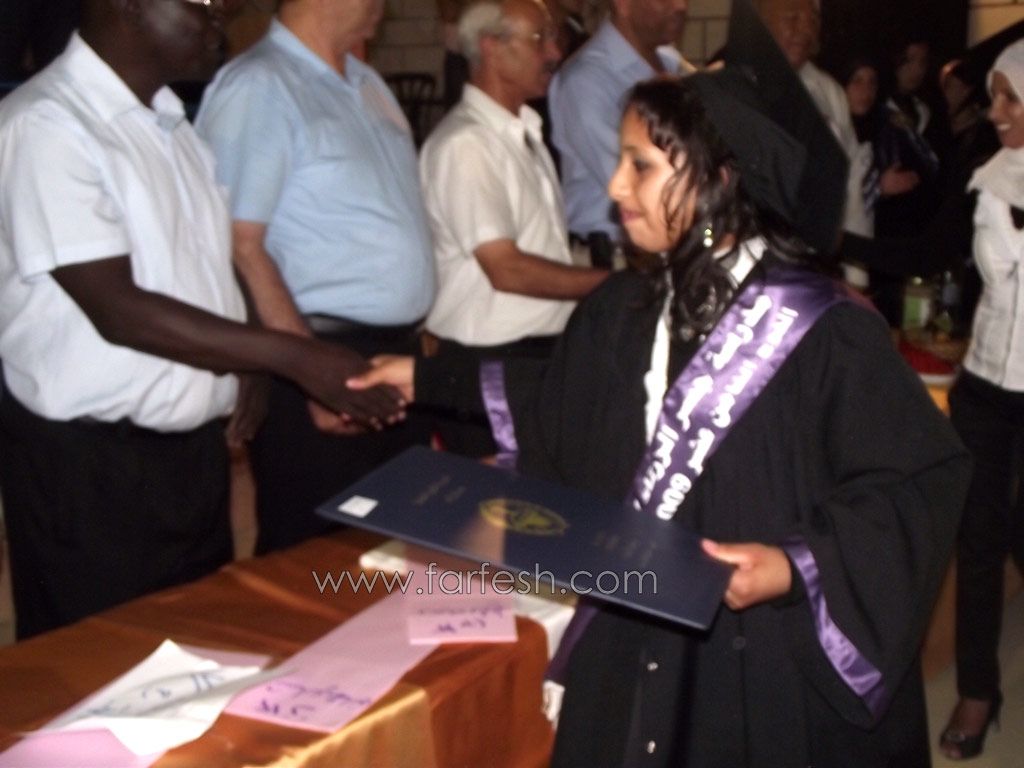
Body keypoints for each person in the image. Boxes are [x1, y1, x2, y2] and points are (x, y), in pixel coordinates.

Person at [351, 3, 970, 764]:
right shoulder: (624, 308)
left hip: (762, 662)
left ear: (720, 178)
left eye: (640, 165)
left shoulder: (828, 333)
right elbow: (558, 401)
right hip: (638, 632)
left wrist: (796, 565)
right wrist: (422, 376)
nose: (615, 185)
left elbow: (911, 485)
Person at [0, 0, 400, 639]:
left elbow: (212, 263)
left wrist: (248, 367)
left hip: (192, 458)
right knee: (95, 665)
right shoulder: (47, 123)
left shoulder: (173, 127)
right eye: (205, 4)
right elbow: (117, 308)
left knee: (198, 648)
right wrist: (289, 355)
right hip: (91, 466)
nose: (219, 21)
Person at [195, 0, 436, 554]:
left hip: (391, 354)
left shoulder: (367, 82)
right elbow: (238, 243)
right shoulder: (259, 86)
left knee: (398, 548)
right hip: (314, 351)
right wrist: (310, 371)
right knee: (316, 559)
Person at [420, 0, 609, 456]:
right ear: (491, 47)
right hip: (489, 359)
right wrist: (611, 284)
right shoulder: (468, 144)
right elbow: (506, 269)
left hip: (528, 351)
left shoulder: (521, 132)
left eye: (554, 38)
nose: (554, 53)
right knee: (500, 497)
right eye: (539, 38)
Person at [938, 38, 1024, 761]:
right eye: (993, 95)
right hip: (985, 388)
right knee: (978, 543)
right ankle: (976, 687)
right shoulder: (986, 180)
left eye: (1010, 98)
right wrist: (835, 244)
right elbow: (933, 253)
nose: (994, 111)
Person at [548, 0, 694, 262]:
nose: (681, 6)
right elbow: (639, 181)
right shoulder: (587, 80)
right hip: (614, 260)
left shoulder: (671, 62)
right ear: (623, 4)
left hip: (666, 251)